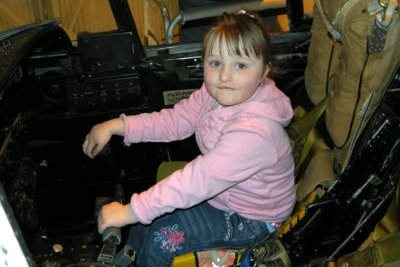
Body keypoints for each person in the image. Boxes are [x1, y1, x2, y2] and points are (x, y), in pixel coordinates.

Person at [82, 10, 295, 267]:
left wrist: (129, 211)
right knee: (142, 225)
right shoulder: (213, 93)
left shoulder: (255, 133)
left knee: (160, 240)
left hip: (253, 218)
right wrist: (118, 126)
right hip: (225, 196)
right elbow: (176, 120)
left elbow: (198, 180)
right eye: (216, 63)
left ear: (264, 73)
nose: (225, 76)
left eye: (240, 65)